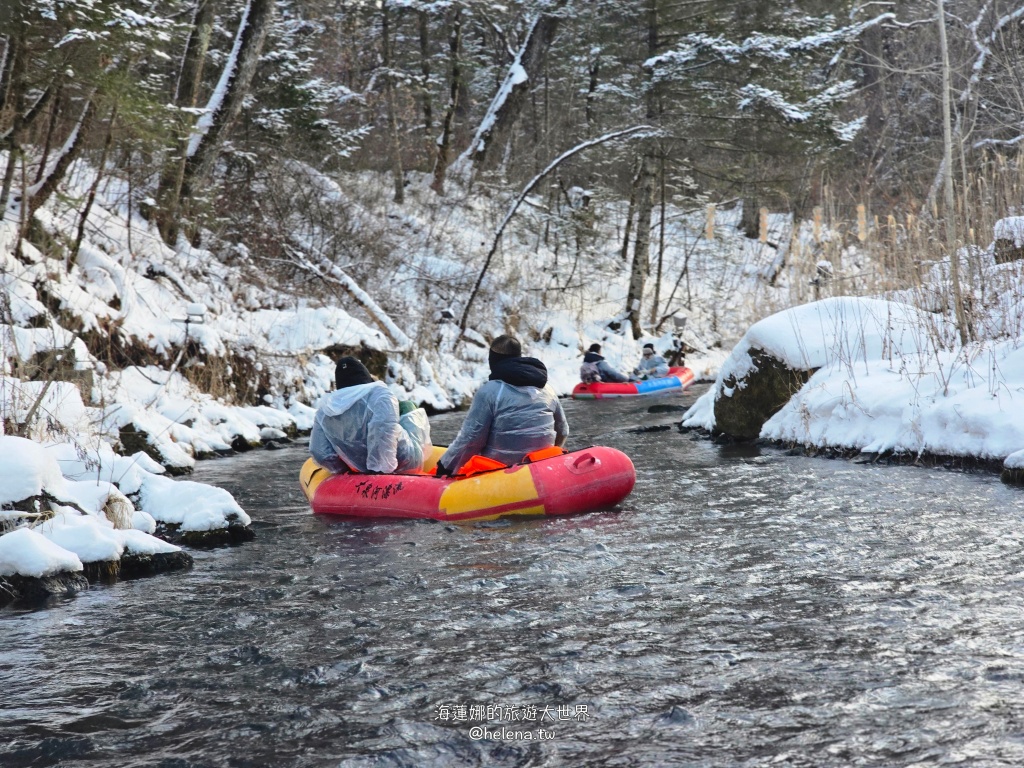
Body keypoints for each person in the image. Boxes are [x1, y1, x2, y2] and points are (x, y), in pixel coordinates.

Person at [436, 335, 569, 477]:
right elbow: (563, 431)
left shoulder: (490, 391)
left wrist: (444, 466)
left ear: (493, 360)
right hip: (542, 468)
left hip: (501, 473)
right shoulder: (547, 389)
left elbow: (471, 440)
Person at [309, 356, 431, 474]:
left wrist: (343, 470)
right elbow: (382, 430)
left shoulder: (324, 411)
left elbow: (320, 452)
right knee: (408, 405)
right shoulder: (380, 396)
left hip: (358, 466)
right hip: (404, 463)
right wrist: (379, 471)